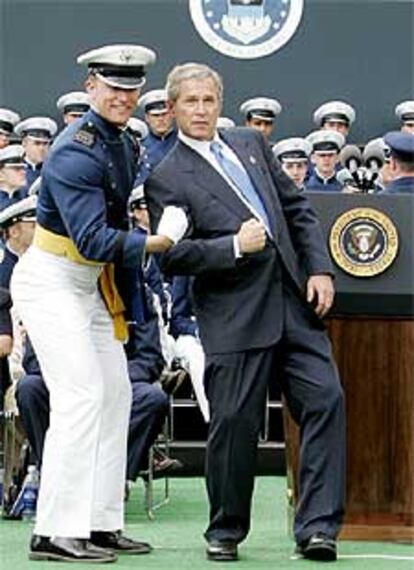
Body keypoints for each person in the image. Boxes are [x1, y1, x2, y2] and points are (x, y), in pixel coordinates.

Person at [145, 63, 345, 563]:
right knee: (233, 424)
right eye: (189, 102)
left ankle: (318, 528)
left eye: (208, 100)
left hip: (295, 306)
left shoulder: (250, 144)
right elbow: (171, 256)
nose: (200, 110)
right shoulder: (167, 177)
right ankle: (226, 529)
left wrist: (319, 269)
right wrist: (232, 246)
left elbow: (297, 207)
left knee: (326, 401)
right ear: (171, 109)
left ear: (220, 102)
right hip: (234, 315)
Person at [10, 44, 187, 564]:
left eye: (131, 89)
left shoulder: (124, 142)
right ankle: (54, 531)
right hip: (52, 278)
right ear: (91, 87)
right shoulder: (74, 148)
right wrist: (154, 244)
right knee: (83, 396)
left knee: (117, 395)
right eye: (113, 88)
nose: (123, 97)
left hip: (89, 284)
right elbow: (91, 237)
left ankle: (100, 522)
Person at [169, 275, 209, 422]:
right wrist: (197, 331)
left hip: (228, 331)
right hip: (192, 334)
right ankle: (212, 418)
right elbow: (177, 320)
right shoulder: (185, 264)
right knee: (197, 355)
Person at [134, 88, 178, 185]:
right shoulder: (138, 146)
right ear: (147, 118)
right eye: (155, 116)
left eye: (164, 114)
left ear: (172, 114)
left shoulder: (182, 142)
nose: (160, 120)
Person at [14, 117, 58, 187]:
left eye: (45, 144)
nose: (41, 148)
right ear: (24, 143)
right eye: (37, 143)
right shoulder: (13, 169)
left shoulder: (55, 170)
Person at [0, 145, 27, 211]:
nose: (23, 172)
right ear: (1, 174)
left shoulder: (26, 197)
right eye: (17, 169)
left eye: (23, 168)